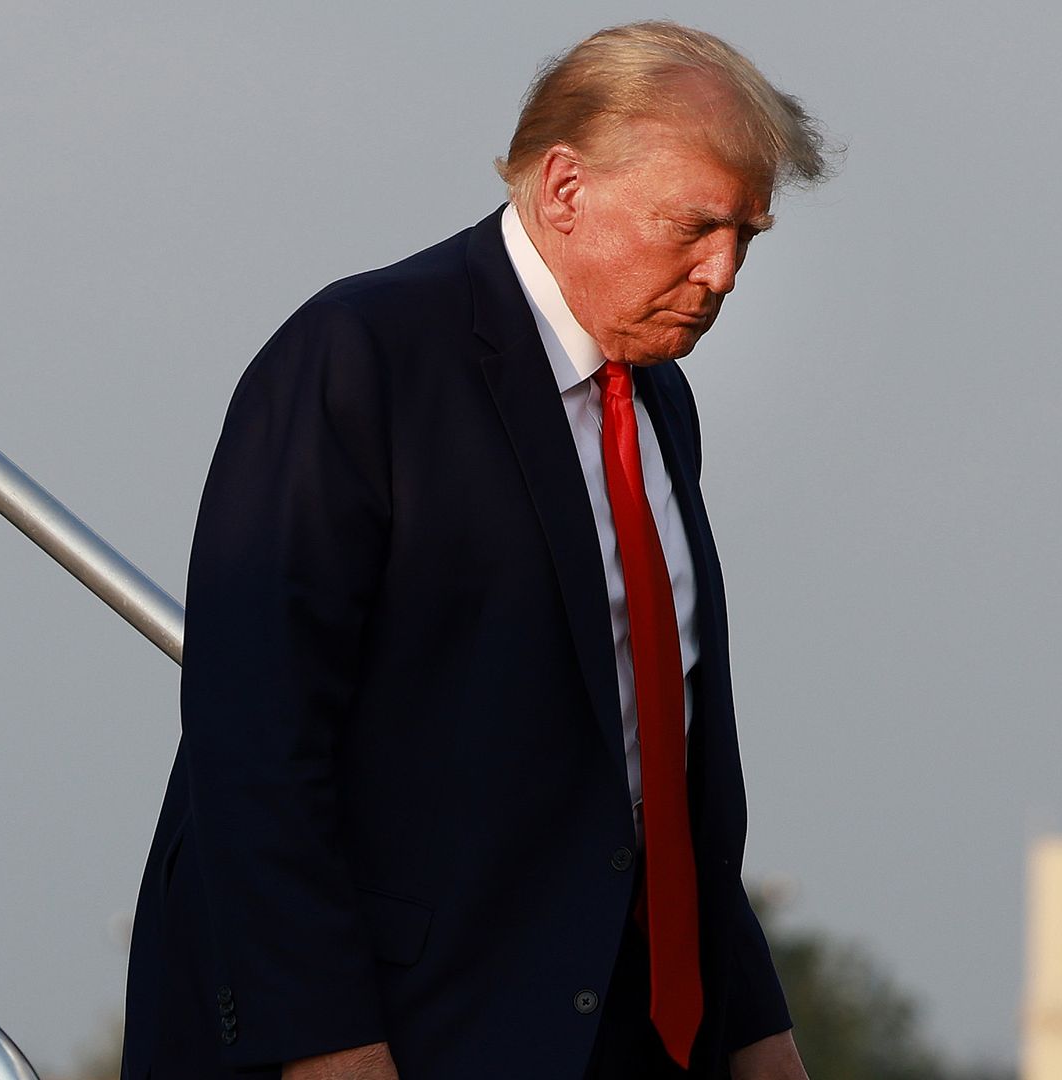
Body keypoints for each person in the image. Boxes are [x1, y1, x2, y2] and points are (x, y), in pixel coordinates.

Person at [120, 20, 834, 1080]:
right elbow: (254, 744)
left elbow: (656, 771)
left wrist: (750, 1029)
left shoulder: (657, 404)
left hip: (617, 1034)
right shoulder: (359, 357)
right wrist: (324, 1043)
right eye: (695, 227)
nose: (723, 271)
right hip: (405, 1030)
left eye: (747, 235)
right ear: (563, 189)